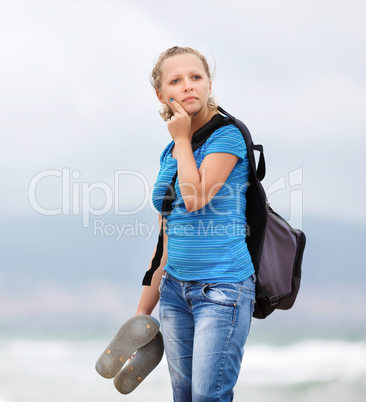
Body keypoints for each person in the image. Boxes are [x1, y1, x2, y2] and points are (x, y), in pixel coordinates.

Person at [135, 46, 256, 402]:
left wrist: (183, 139)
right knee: (184, 396)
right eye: (176, 80)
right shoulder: (171, 150)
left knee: (208, 397)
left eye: (195, 77)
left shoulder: (227, 137)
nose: (188, 86)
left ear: (208, 84)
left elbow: (195, 197)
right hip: (174, 293)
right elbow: (165, 239)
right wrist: (142, 313)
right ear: (161, 94)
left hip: (222, 290)